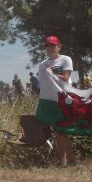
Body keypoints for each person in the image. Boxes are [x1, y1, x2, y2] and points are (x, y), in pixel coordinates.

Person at [35, 35, 75, 167]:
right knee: (58, 131)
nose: (50, 48)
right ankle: (72, 160)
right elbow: (43, 84)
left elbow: (66, 77)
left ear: (59, 46)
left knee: (60, 130)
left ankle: (63, 162)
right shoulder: (42, 65)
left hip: (63, 99)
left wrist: (51, 73)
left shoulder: (65, 59)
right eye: (48, 46)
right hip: (49, 101)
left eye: (53, 45)